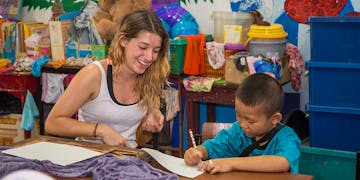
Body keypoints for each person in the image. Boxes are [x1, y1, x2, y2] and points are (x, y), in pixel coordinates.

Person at [45, 10, 170, 148]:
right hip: (90, 158)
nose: (149, 57)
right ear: (123, 41)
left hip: (127, 159)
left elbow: (139, 133)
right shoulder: (94, 74)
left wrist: (153, 115)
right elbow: (52, 123)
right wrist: (100, 130)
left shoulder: (151, 75)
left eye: (156, 50)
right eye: (143, 47)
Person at [184, 73, 301, 174]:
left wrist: (230, 163)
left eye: (250, 121)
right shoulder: (238, 131)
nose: (243, 124)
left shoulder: (287, 137)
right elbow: (213, 147)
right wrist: (198, 152)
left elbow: (282, 162)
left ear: (275, 118)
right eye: (238, 115)